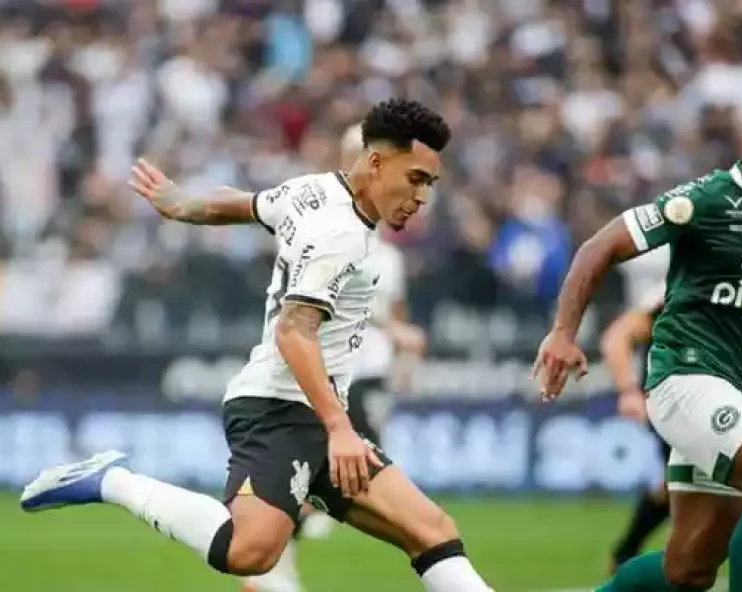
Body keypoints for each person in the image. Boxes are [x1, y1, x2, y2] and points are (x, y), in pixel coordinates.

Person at [21, 98, 495, 592]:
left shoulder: (314, 191)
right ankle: (111, 481)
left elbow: (249, 204)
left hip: (313, 412)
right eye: (416, 178)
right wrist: (339, 428)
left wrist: (186, 206)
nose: (422, 197)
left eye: (430, 184)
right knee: (248, 552)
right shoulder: (340, 234)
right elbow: (294, 330)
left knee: (431, 531)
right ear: (376, 162)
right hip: (279, 411)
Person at [533, 91, 742, 592]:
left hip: (739, 391)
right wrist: (563, 333)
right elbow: (600, 245)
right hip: (684, 378)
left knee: (688, 571)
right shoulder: (702, 200)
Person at [239, 124, 428, 592]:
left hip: (369, 373)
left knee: (351, 483)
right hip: (334, 381)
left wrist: (403, 354)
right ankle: (276, 555)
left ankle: (277, 559)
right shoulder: (329, 232)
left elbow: (393, 315)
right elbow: (301, 318)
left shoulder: (388, 256)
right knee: (356, 482)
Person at [602, 283, 742, 583]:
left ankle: (627, 554)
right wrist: (629, 391)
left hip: (726, 403)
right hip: (682, 403)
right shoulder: (675, 288)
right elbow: (616, 337)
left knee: (687, 492)